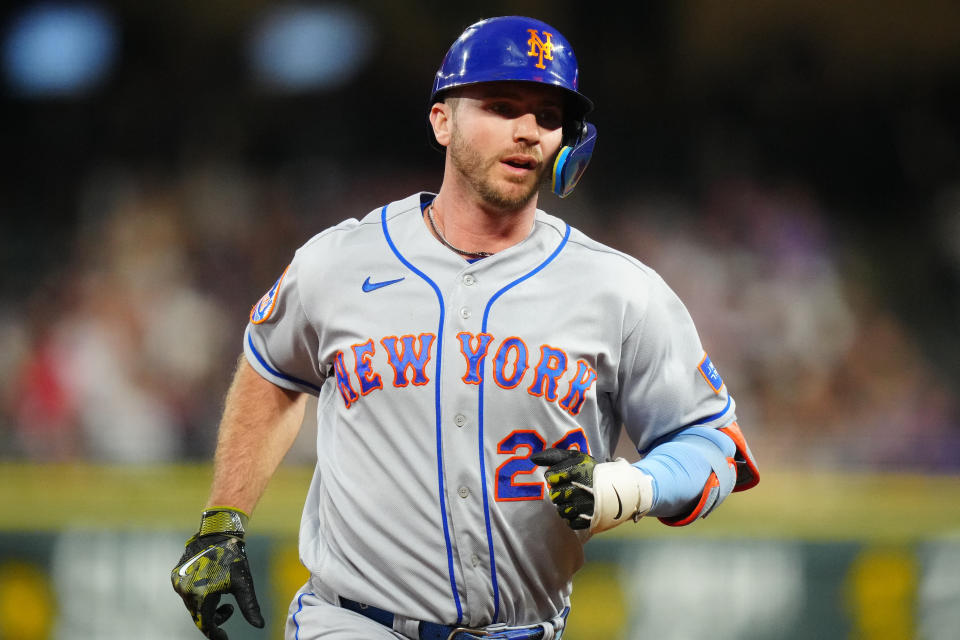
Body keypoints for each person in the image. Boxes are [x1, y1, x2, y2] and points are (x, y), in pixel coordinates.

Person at [171, 15, 759, 640]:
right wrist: (222, 521)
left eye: (548, 115)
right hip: (353, 623)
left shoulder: (619, 292)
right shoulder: (340, 262)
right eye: (503, 106)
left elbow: (714, 444)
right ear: (442, 121)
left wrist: (633, 486)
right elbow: (271, 374)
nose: (529, 131)